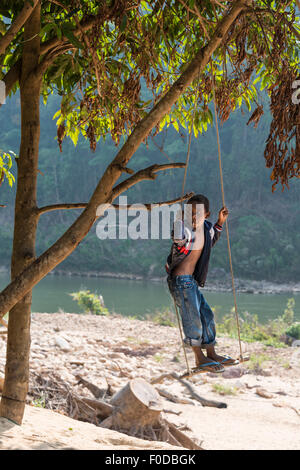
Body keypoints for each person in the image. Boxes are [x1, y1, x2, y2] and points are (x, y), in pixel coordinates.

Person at [166, 194, 238, 373]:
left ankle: (211, 353)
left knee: (207, 315)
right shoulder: (184, 230)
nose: (193, 216)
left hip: (192, 282)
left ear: (206, 214)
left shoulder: (206, 229)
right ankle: (199, 358)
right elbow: (179, 240)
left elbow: (212, 239)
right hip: (181, 281)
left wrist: (220, 222)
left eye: (197, 213)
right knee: (193, 319)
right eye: (189, 212)